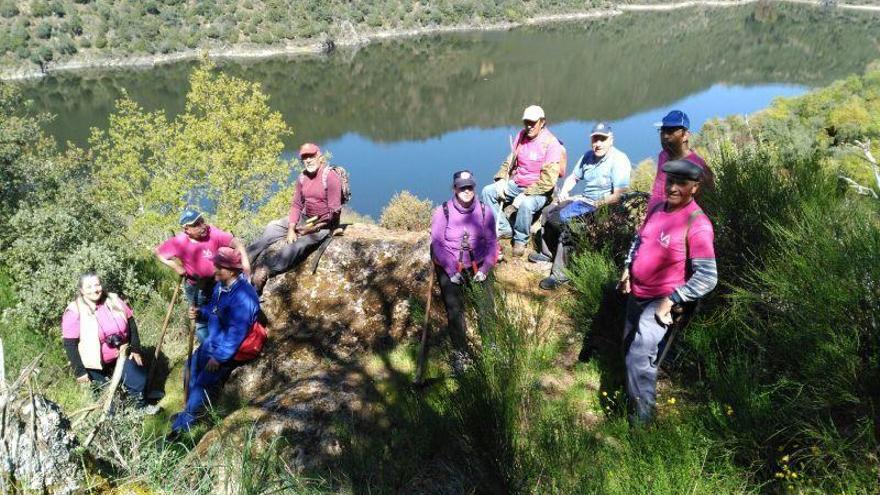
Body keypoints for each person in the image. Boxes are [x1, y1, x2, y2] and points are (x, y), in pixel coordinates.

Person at [618, 159, 717, 423]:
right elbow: (639, 240)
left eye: (681, 183)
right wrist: (628, 267)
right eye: (670, 181)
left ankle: (642, 424)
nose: (673, 188)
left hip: (659, 302)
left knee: (640, 356)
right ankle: (632, 400)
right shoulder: (658, 209)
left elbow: (708, 277)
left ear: (694, 187)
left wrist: (673, 299)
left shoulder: (698, 224)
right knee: (629, 350)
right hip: (636, 293)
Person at [529, 122, 631, 290]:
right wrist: (565, 192)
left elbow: (619, 194)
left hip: (604, 207)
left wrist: (599, 203)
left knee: (571, 226)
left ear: (611, 140)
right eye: (595, 139)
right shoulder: (587, 157)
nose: (598, 144)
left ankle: (561, 275)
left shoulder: (619, 160)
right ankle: (547, 253)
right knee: (548, 212)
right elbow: (573, 178)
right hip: (584, 200)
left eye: (602, 139)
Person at [171, 247, 260, 434]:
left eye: (220, 266)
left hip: (224, 350)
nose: (215, 269)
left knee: (202, 383)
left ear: (233, 270)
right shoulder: (221, 286)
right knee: (190, 368)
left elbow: (237, 332)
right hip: (212, 342)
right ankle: (189, 412)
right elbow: (213, 310)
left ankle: (183, 426)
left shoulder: (244, 297)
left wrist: (219, 357)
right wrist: (200, 313)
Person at [248, 143, 343, 293]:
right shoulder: (302, 178)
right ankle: (246, 258)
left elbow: (334, 212)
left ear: (320, 156)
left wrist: (312, 228)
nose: (308, 160)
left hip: (324, 225)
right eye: (304, 157)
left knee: (296, 247)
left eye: (311, 156)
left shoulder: (330, 177)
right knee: (273, 226)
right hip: (305, 218)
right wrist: (292, 228)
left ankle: (266, 270)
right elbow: (297, 205)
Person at [431, 170, 499, 369]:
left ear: (474, 187)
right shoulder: (442, 212)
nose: (466, 191)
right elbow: (437, 244)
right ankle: (461, 353)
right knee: (455, 311)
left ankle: (491, 348)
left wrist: (486, 268)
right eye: (462, 187)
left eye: (469, 187)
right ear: (455, 189)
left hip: (479, 267)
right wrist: (451, 271)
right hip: (451, 268)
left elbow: (492, 243)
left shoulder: (486, 211)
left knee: (486, 308)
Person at [61, 272, 158, 413]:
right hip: (93, 363)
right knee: (107, 400)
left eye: (97, 284)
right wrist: (80, 372)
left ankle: (139, 408)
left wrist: (136, 349)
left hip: (121, 354)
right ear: (81, 290)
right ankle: (115, 423)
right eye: (89, 287)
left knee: (138, 381)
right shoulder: (74, 311)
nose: (95, 289)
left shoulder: (113, 299)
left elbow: (131, 323)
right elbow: (69, 345)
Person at [480, 105, 565, 257]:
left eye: (533, 122)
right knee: (488, 191)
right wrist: (500, 179)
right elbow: (510, 161)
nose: (529, 126)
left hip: (540, 191)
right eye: (526, 122)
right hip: (518, 183)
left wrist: (526, 194)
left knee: (526, 204)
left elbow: (548, 181)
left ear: (542, 122)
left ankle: (520, 239)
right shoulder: (521, 136)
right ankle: (504, 227)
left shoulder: (551, 144)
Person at [155, 209, 250, 343]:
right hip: (196, 288)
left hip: (216, 283)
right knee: (201, 320)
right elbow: (158, 252)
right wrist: (176, 266)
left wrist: (245, 266)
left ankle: (225, 345)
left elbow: (236, 243)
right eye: (196, 224)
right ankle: (209, 350)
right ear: (187, 229)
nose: (202, 226)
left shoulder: (212, 232)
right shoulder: (178, 242)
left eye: (202, 221)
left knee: (221, 311)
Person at [647, 110, 715, 212]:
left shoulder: (697, 167)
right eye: (662, 131)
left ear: (686, 135)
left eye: (670, 131)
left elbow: (704, 207)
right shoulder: (663, 156)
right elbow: (657, 191)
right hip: (659, 216)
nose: (665, 136)